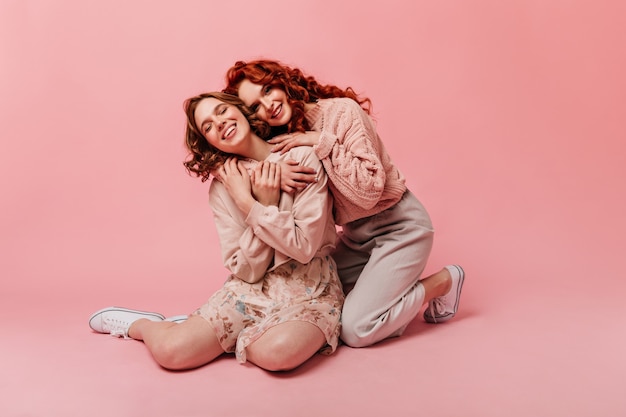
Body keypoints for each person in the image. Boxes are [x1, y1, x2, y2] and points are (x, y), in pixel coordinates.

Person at [88, 92, 344, 372]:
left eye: (222, 111)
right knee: (172, 353)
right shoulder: (223, 187)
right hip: (249, 290)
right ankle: (143, 325)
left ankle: (232, 338)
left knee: (277, 354)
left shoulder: (302, 158)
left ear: (242, 111)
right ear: (208, 141)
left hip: (311, 289)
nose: (219, 123)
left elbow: (304, 248)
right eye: (208, 126)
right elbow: (246, 271)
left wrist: (250, 204)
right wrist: (258, 199)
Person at [223, 59, 465, 348]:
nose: (268, 105)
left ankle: (441, 282)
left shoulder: (340, 111)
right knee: (309, 289)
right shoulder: (280, 136)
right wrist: (267, 173)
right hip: (355, 238)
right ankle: (388, 291)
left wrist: (318, 141)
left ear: (282, 81)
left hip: (401, 227)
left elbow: (368, 191)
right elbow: (228, 148)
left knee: (356, 328)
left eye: (267, 90)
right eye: (255, 107)